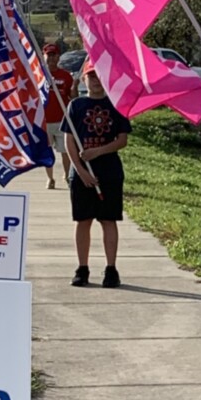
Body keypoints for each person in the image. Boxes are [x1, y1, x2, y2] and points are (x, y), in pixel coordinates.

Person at [62, 60, 131, 288]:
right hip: (82, 175)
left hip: (109, 173)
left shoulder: (116, 105)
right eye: (91, 76)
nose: (95, 81)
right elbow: (69, 140)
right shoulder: (75, 106)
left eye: (99, 76)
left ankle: (111, 269)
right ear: (84, 80)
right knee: (83, 221)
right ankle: (82, 268)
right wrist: (80, 171)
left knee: (108, 220)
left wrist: (98, 151)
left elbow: (122, 140)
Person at [42, 43, 75, 189]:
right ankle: (50, 178)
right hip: (45, 121)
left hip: (62, 120)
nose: (51, 58)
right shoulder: (40, 75)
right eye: (48, 55)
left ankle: (67, 175)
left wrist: (74, 88)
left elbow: (73, 98)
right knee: (48, 152)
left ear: (58, 57)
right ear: (44, 56)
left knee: (65, 151)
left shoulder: (65, 76)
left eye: (54, 55)